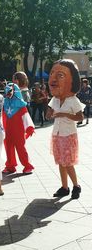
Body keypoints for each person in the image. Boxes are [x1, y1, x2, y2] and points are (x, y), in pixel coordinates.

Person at [46, 59, 85, 199]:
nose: (53, 78)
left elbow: (80, 117)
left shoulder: (73, 100)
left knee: (68, 163)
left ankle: (76, 186)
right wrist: (49, 114)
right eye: (52, 74)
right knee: (60, 162)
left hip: (68, 135)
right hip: (57, 134)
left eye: (60, 75)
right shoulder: (55, 100)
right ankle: (64, 187)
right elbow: (48, 114)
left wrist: (64, 114)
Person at [2, 83, 35, 174]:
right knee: (8, 148)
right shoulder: (5, 104)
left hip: (18, 131)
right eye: (6, 92)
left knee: (21, 148)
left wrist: (29, 128)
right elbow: (2, 118)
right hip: (8, 131)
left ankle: (27, 165)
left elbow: (26, 117)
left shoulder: (21, 106)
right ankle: (10, 166)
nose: (8, 94)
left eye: (10, 91)